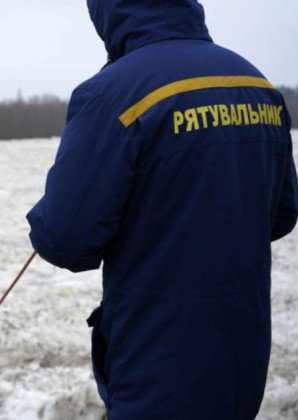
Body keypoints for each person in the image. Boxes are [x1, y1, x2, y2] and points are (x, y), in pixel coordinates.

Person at [27, 0, 298, 418]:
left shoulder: (111, 94)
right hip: (244, 350)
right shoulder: (255, 82)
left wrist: (48, 213)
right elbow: (281, 213)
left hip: (158, 358)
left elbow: (66, 239)